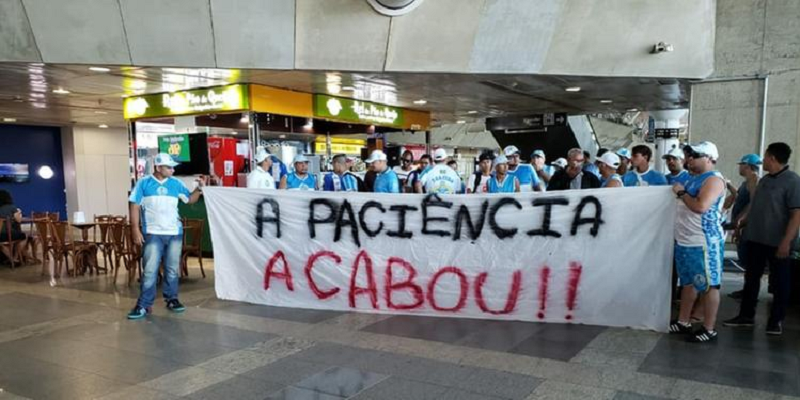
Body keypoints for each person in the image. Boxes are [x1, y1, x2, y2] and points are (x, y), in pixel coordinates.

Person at [723, 143, 800, 335]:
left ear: (773, 158)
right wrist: (741, 223)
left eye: (765, 157)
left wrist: (786, 242)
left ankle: (776, 321)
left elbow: (796, 215)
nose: (762, 161)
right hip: (757, 239)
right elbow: (756, 206)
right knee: (751, 278)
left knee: (780, 282)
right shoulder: (765, 180)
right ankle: (746, 316)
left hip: (778, 243)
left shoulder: (792, 181)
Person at [127, 153, 204, 319]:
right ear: (158, 167)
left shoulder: (176, 183)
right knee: (149, 270)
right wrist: (135, 229)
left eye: (172, 166)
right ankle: (143, 305)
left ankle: (172, 299)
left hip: (174, 232)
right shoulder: (144, 183)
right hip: (153, 233)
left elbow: (189, 200)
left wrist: (199, 189)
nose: (172, 169)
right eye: (169, 167)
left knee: (171, 269)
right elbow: (134, 206)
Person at [669, 142, 725, 342]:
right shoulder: (693, 178)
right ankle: (684, 320)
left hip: (704, 242)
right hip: (685, 240)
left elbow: (701, 206)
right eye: (688, 156)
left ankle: (709, 328)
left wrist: (682, 193)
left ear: (709, 158)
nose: (689, 159)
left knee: (710, 285)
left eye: (695, 156)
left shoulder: (714, 180)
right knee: (688, 282)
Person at [725, 153, 762, 300]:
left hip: (746, 227)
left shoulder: (754, 180)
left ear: (747, 165)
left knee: (749, 261)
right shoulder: (746, 182)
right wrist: (728, 185)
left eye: (741, 164)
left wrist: (739, 223)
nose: (739, 167)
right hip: (741, 225)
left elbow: (753, 203)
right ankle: (747, 289)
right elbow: (738, 196)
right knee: (745, 259)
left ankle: (750, 292)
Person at [0, 190, 34, 264]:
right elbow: (18, 220)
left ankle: (11, 259)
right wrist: (19, 212)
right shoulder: (12, 207)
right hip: (9, 233)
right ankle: (15, 257)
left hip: (0, 235)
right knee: (24, 236)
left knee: (1, 244)